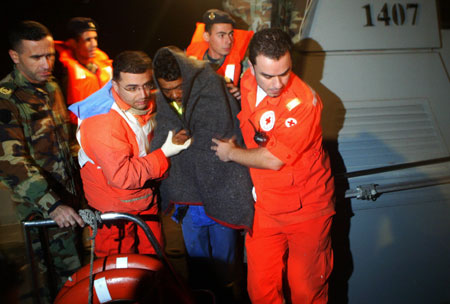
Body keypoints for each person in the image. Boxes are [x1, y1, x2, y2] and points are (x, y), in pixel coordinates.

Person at [212, 28, 336, 303]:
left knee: (306, 291)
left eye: (285, 72)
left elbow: (273, 158)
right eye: (268, 75)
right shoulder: (245, 82)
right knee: (261, 291)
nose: (278, 83)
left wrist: (231, 153)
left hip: (307, 210)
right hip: (265, 208)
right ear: (251, 66)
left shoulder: (304, 103)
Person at [151, 46, 254, 301]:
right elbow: (163, 131)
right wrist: (170, 142)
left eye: (179, 87)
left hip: (221, 185)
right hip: (189, 194)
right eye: (167, 90)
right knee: (197, 260)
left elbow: (224, 127)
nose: (174, 94)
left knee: (226, 260)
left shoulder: (212, 85)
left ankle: (230, 295)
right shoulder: (163, 101)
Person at [69, 50, 191, 257]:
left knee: (153, 260)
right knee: (121, 271)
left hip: (145, 200)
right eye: (132, 88)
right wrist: (164, 154)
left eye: (146, 85)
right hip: (114, 211)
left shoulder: (145, 101)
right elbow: (122, 176)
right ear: (114, 85)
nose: (142, 95)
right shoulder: (102, 121)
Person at [0, 20, 84, 299]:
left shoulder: (50, 88)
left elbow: (65, 142)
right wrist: (53, 205)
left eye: (49, 55)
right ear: (15, 56)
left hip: (69, 204)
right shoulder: (7, 100)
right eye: (36, 57)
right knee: (52, 283)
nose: (46, 63)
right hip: (42, 213)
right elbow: (11, 164)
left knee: (77, 273)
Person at [55, 17, 112, 125]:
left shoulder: (103, 65)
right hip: (82, 130)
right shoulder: (63, 73)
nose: (94, 44)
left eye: (95, 38)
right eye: (88, 40)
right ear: (73, 43)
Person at [186, 8, 253, 100]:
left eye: (231, 34)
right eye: (221, 35)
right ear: (206, 36)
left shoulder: (244, 65)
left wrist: (241, 95)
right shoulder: (189, 62)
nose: (229, 41)